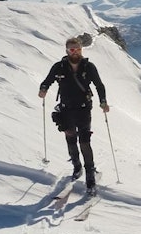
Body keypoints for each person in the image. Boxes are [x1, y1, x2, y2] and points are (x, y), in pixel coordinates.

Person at [38, 36, 109, 189]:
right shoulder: (59, 67)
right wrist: (43, 89)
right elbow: (48, 80)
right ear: (67, 50)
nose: (75, 52)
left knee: (84, 141)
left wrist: (103, 101)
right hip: (66, 109)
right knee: (70, 138)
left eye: (77, 49)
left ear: (81, 50)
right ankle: (77, 166)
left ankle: (90, 174)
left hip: (83, 108)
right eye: (72, 49)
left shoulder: (88, 67)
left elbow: (99, 85)